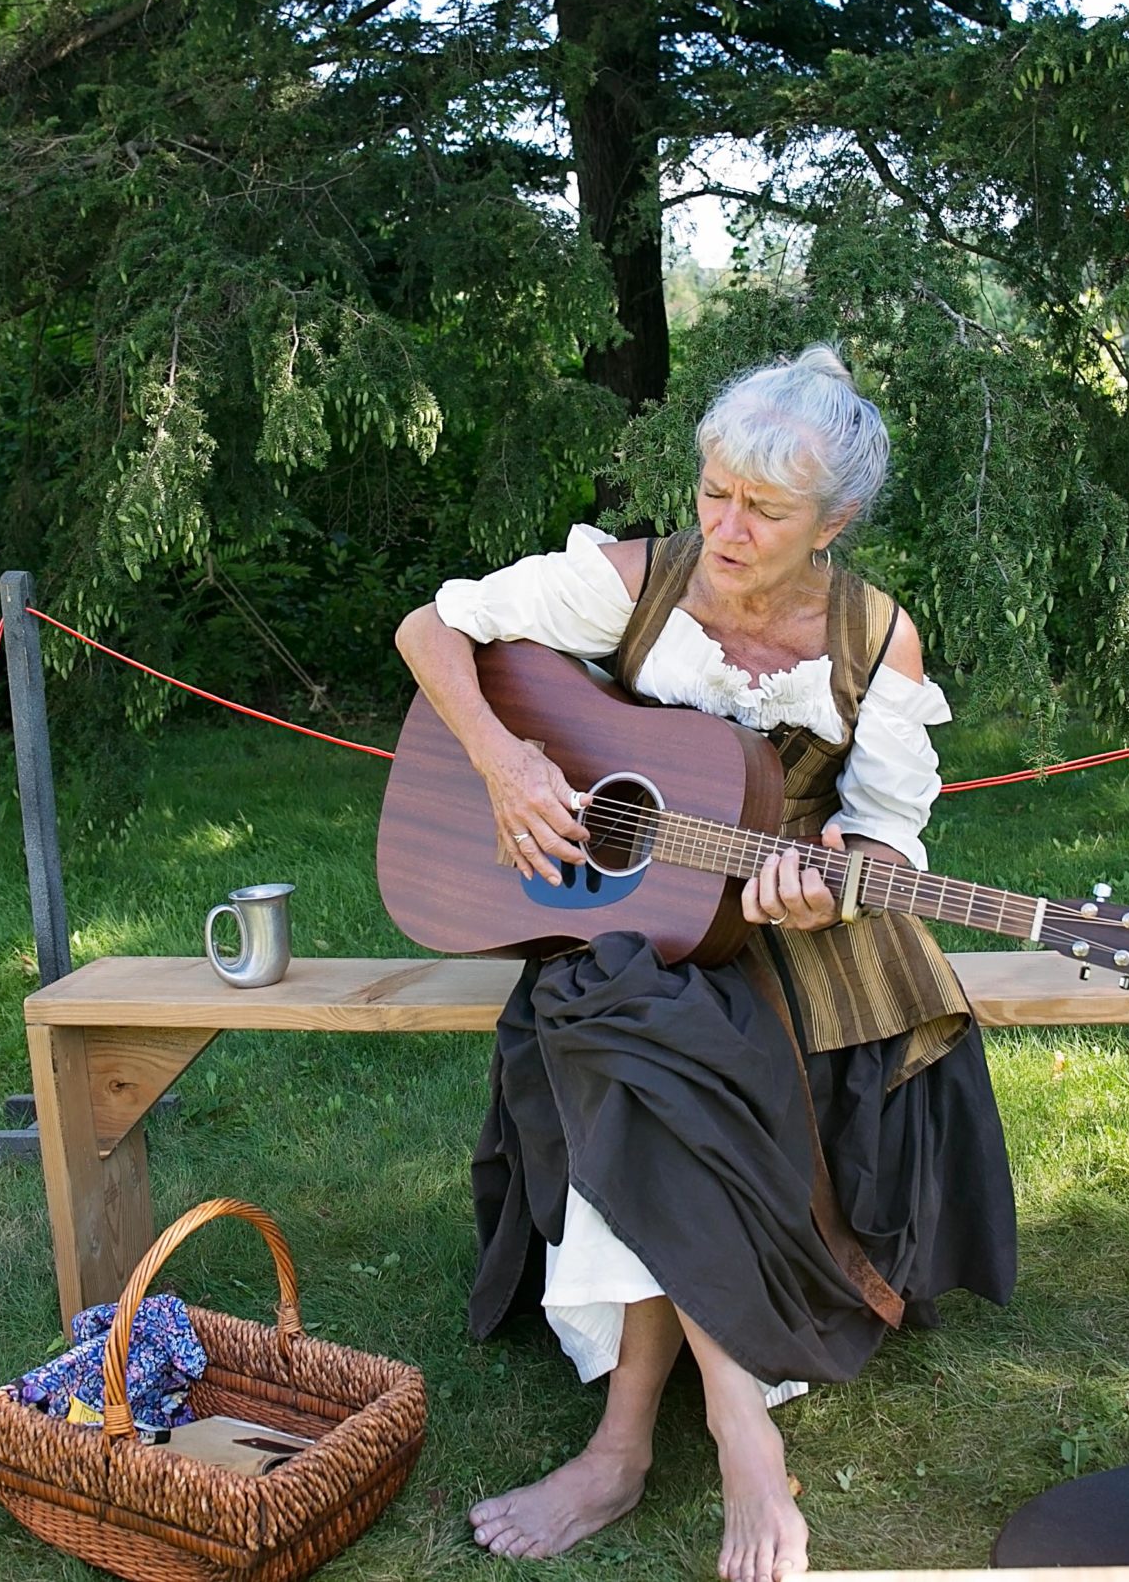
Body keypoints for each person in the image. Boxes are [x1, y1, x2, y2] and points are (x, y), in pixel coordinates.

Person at [393, 344, 1017, 1582]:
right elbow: (433, 627)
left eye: (764, 510)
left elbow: (887, 834)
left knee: (632, 1038)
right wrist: (505, 765)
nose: (724, 529)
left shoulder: (875, 638)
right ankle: (738, 1433)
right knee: (627, 1010)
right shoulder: (634, 580)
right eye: (713, 492)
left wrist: (830, 875)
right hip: (634, 915)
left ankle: (622, 1448)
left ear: (832, 522)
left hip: (796, 938)